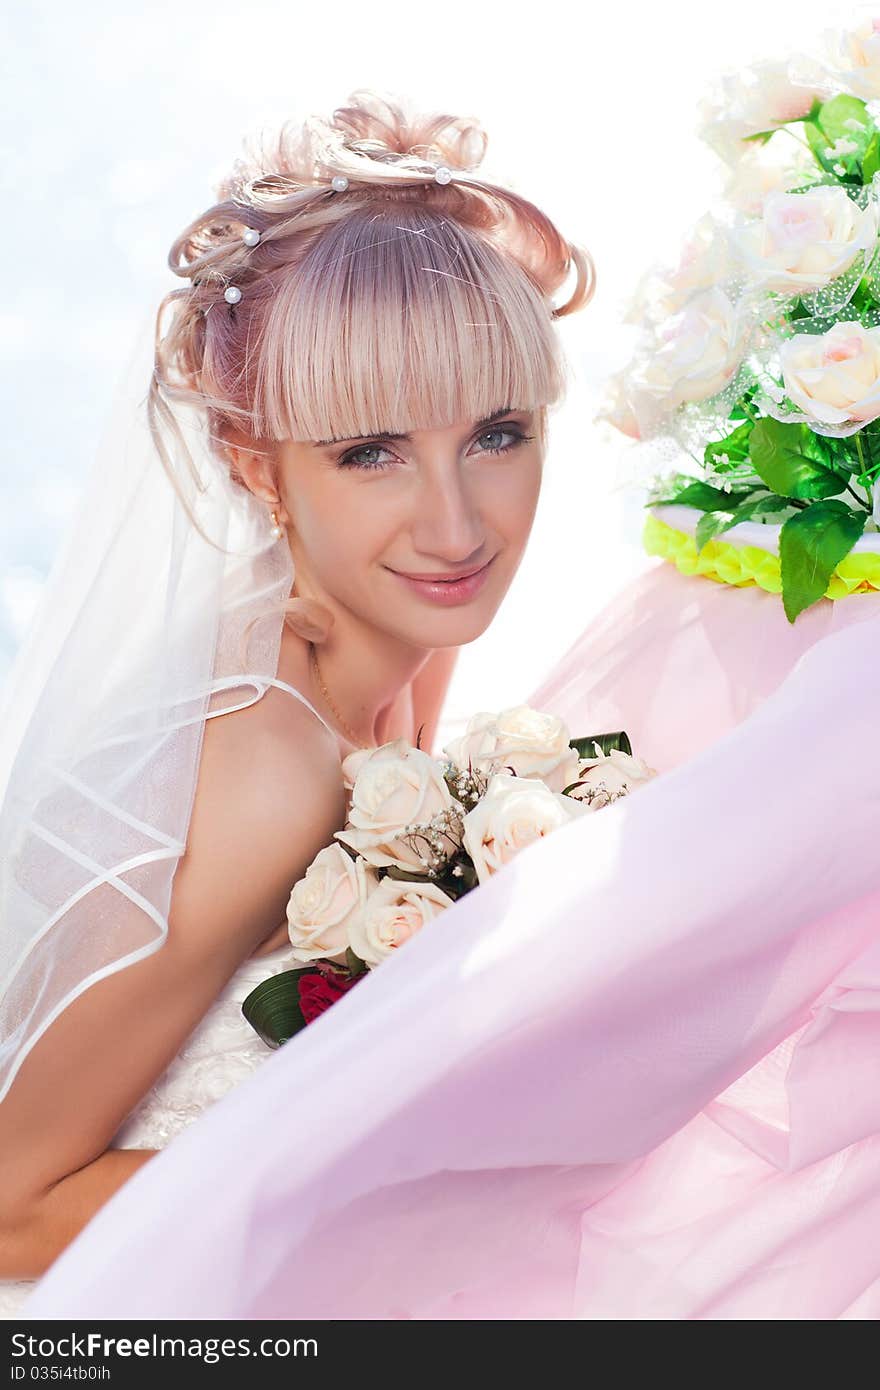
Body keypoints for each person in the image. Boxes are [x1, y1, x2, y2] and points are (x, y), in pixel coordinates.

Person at [0, 91, 595, 1317]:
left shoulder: (404, 629)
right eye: (367, 451)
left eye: (497, 432)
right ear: (254, 464)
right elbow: (9, 1208)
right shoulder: (260, 762)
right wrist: (398, 1157)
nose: (455, 525)